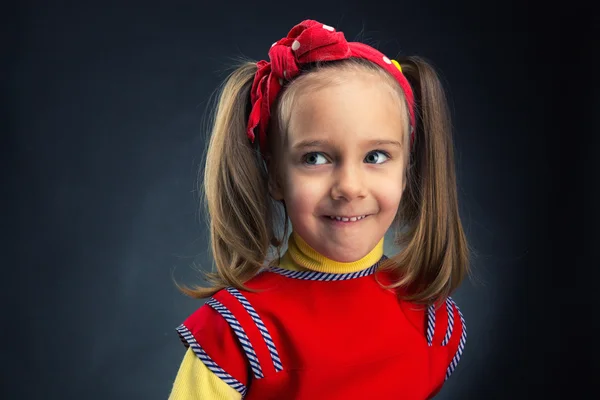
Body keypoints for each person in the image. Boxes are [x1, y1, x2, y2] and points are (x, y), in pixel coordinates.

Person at [169, 19, 469, 400]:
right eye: (315, 158)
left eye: (376, 156)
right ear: (276, 175)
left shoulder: (428, 318)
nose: (349, 187)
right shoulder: (239, 330)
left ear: (407, 169)